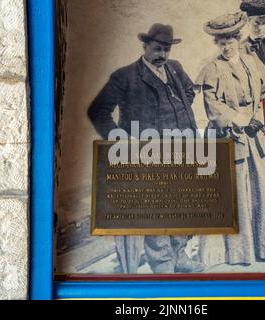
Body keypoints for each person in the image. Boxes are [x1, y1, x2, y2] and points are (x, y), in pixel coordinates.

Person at [88, 23, 205, 274]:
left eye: (166, 49)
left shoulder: (175, 68)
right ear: (144, 46)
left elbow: (188, 91)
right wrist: (121, 139)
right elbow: (98, 111)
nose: (162, 55)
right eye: (157, 49)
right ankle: (163, 264)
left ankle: (179, 254)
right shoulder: (125, 76)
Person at [195, 12, 265, 266]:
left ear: (239, 40)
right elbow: (213, 106)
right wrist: (241, 120)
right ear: (216, 44)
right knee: (237, 194)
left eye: (231, 41)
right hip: (229, 137)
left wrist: (259, 117)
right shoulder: (211, 69)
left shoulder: (253, 62)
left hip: (256, 135)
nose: (227, 47)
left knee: (262, 190)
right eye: (222, 43)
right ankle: (240, 253)